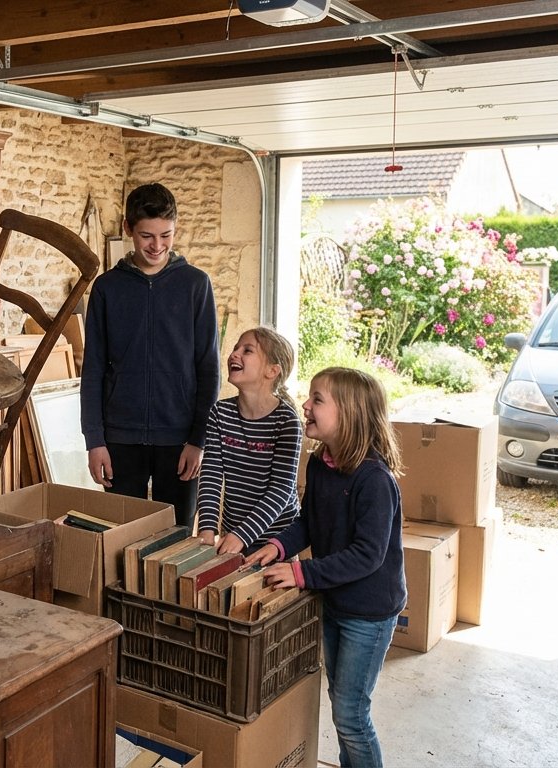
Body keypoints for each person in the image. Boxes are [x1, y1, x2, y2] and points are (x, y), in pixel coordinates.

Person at [242, 367, 405, 768]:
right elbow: (310, 523)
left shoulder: (374, 480)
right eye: (309, 397)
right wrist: (278, 546)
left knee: (351, 715)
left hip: (368, 612)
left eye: (317, 399)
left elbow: (368, 554)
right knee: (342, 703)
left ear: (348, 413)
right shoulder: (319, 464)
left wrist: (301, 574)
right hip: (333, 601)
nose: (306, 405)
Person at [80, 182, 219, 527]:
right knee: (119, 537)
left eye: (166, 235)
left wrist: (198, 440)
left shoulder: (196, 285)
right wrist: (94, 440)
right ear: (128, 228)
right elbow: (93, 368)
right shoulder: (107, 288)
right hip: (119, 438)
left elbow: (208, 368)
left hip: (180, 439)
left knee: (177, 540)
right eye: (146, 236)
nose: (157, 246)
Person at [195, 326, 301, 554]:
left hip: (278, 542)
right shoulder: (219, 413)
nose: (235, 354)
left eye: (247, 350)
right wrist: (207, 528)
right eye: (235, 348)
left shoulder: (287, 421)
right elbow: (211, 474)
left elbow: (281, 490)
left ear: (272, 371)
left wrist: (242, 535)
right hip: (233, 537)